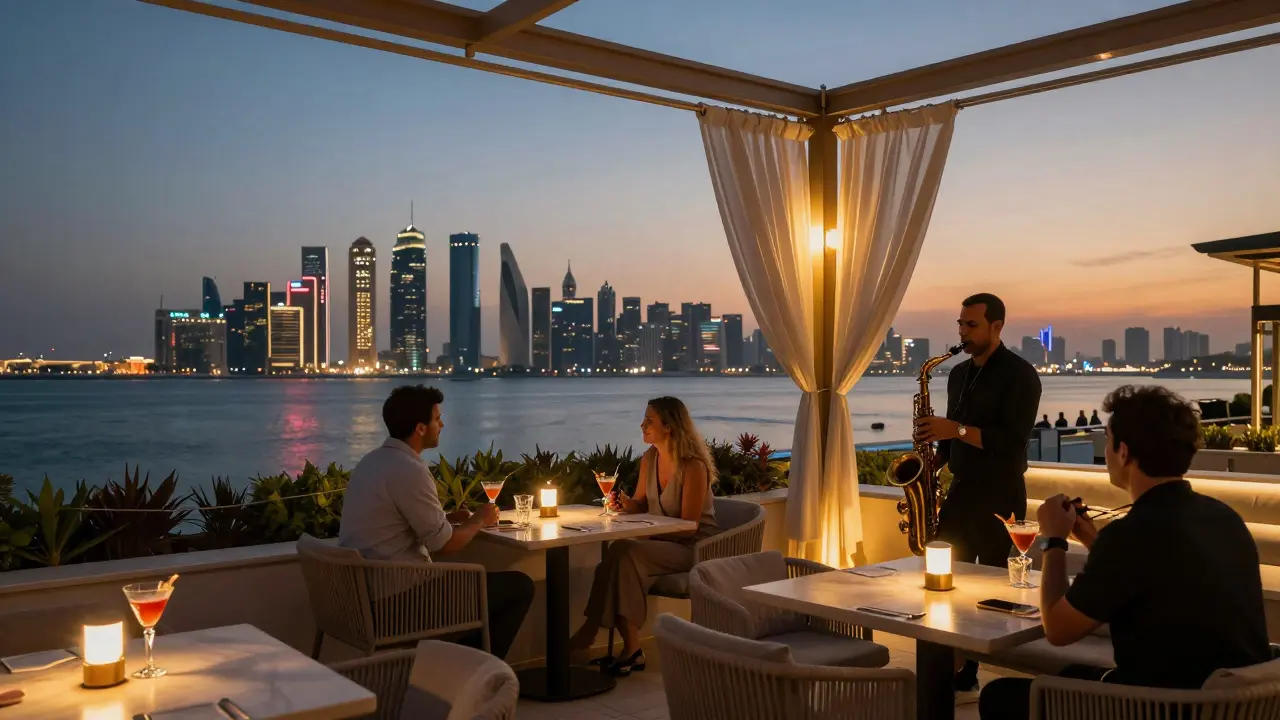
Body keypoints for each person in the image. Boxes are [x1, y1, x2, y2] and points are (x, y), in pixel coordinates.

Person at [978, 386, 1270, 719]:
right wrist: (1091, 539)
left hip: (1155, 707)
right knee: (1073, 674)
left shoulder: (1133, 534)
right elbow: (1150, 574)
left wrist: (1055, 540)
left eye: (1107, 440)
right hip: (1235, 706)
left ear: (1124, 452)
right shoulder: (1224, 518)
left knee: (1001, 697)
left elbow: (1058, 630)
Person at [339, 385, 535, 660]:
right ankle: (472, 678)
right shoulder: (408, 470)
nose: (441, 425)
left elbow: (399, 524)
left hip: (364, 597)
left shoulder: (372, 462)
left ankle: (454, 669)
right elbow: (445, 545)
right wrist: (480, 519)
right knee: (519, 586)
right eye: (437, 419)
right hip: (400, 601)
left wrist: (447, 519)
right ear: (420, 428)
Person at [915, 293, 1041, 699]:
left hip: (1000, 493)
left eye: (971, 325)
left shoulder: (1021, 375)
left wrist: (956, 430)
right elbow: (953, 438)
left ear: (997, 327)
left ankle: (966, 670)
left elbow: (1012, 441)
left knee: (985, 586)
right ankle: (948, 660)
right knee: (945, 577)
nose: (962, 333)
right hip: (962, 490)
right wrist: (933, 461)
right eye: (960, 324)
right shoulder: (957, 374)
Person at [569, 396, 718, 677]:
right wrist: (625, 504)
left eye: (649, 420)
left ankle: (594, 636)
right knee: (615, 560)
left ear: (670, 427)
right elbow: (640, 503)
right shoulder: (650, 459)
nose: (642, 425)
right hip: (661, 544)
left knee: (623, 552)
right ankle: (628, 648)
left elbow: (689, 525)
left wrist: (648, 530)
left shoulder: (693, 466)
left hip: (696, 547)